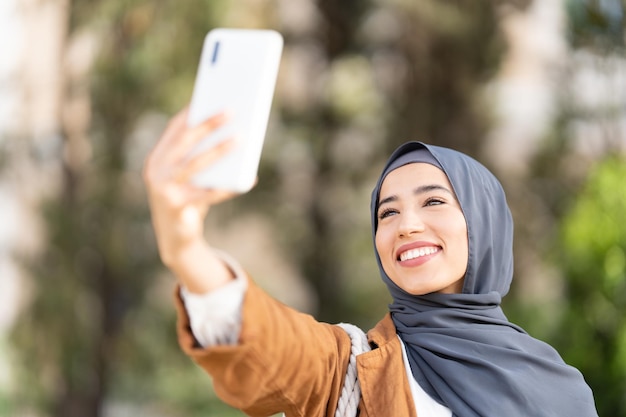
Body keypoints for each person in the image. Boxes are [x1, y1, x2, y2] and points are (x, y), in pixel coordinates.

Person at [143, 108, 598, 417]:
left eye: (434, 201)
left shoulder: (563, 389)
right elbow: (276, 346)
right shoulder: (353, 368)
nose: (406, 226)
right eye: (388, 212)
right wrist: (185, 250)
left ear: (483, 222)